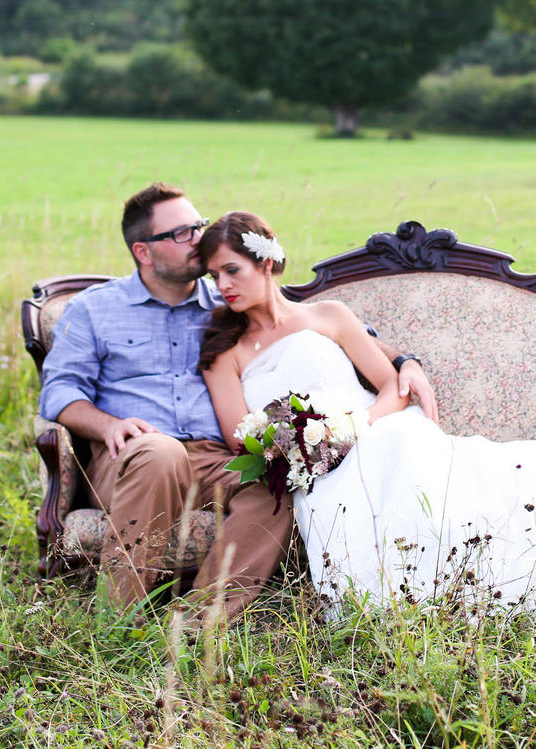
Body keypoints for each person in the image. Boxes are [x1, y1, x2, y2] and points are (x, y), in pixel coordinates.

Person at [39, 183, 437, 618]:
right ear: (143, 251)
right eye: (180, 233)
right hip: (133, 454)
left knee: (279, 482)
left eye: (197, 226)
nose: (196, 240)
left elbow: (341, 333)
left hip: (212, 457)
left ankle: (201, 619)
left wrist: (406, 361)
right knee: (159, 453)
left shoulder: (224, 302)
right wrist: (108, 426)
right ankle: (116, 619)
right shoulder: (95, 309)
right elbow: (60, 392)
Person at [199, 211, 536, 609]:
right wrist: (310, 449)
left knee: (405, 446)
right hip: (312, 464)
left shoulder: (329, 315)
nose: (223, 285)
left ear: (266, 262)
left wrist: (354, 429)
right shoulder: (225, 350)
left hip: (379, 429)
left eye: (232, 270)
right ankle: (407, 604)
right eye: (213, 276)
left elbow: (393, 388)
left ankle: (467, 583)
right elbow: (241, 439)